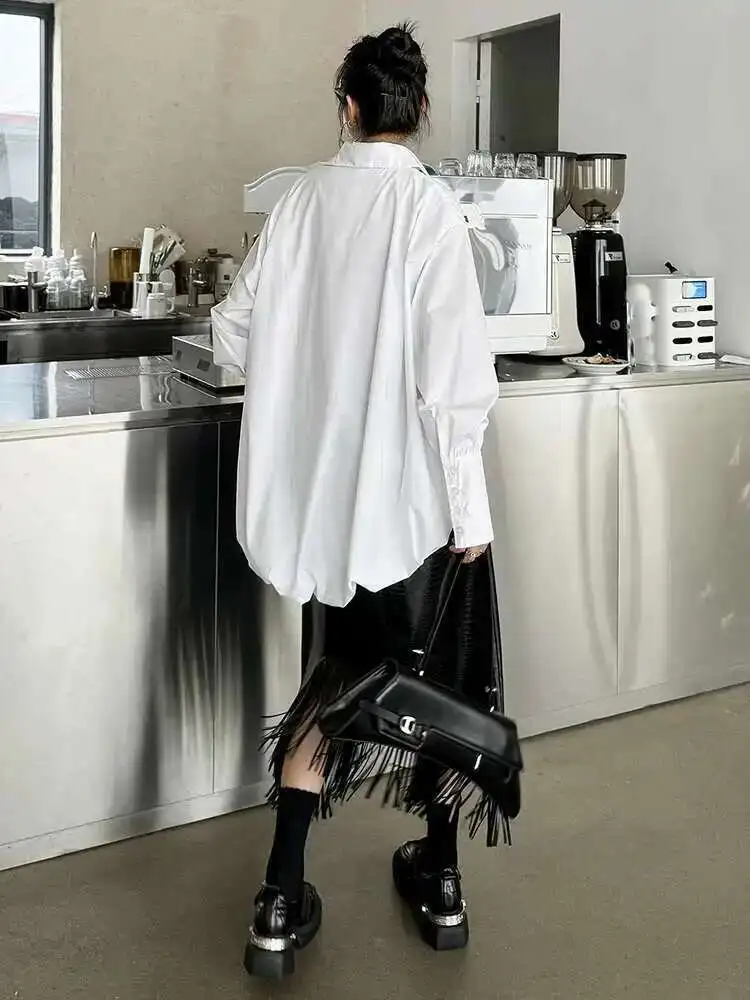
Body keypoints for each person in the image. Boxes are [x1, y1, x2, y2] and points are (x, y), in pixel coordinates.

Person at [212, 22, 509, 982]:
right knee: (443, 683)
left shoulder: (298, 202)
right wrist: (471, 513)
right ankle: (442, 876)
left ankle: (279, 894)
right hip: (412, 506)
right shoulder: (427, 209)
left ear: (346, 106)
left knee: (332, 680)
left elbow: (232, 330)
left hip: (324, 509)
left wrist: (303, 371)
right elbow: (453, 382)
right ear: (419, 109)